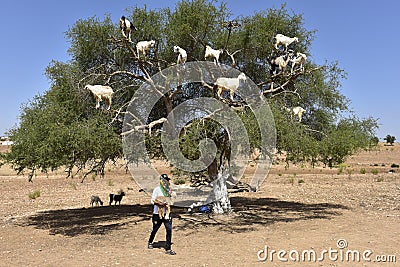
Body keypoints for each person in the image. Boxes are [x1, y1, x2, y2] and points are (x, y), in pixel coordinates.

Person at [148, 174, 176, 255]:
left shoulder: (169, 190)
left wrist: (170, 197)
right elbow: (152, 200)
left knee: (169, 229)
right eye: (164, 180)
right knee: (155, 228)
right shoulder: (157, 189)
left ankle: (168, 248)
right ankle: (150, 241)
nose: (166, 182)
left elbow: (172, 199)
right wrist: (159, 203)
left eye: (167, 180)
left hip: (167, 213)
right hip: (157, 213)